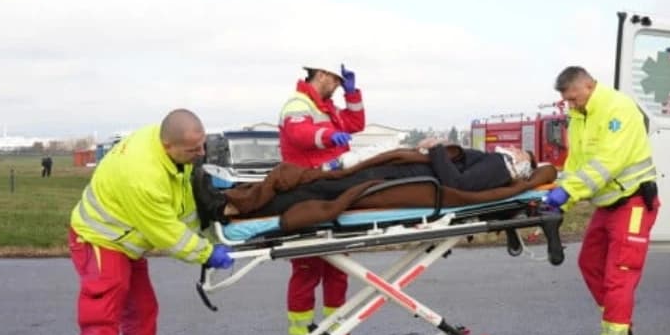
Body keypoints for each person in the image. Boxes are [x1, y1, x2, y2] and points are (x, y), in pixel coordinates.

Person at [53, 109, 234, 335]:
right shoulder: (143, 175)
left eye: (202, 145)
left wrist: (204, 236)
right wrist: (207, 253)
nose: (201, 154)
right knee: (101, 324)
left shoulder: (172, 154)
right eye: (193, 150)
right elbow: (167, 234)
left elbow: (181, 209)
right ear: (168, 145)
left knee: (142, 311)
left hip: (125, 242)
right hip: (100, 241)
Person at [543, 66, 660, 335]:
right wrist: (562, 197)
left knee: (619, 274)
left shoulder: (618, 108)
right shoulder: (579, 116)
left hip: (633, 202)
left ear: (589, 85)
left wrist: (568, 192)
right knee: (590, 262)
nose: (571, 105)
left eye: (573, 98)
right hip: (608, 204)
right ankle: (621, 327)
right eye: (567, 101)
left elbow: (607, 162)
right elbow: (576, 163)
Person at [196, 143, 537, 221]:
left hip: (404, 180)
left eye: (522, 152)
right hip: (405, 177)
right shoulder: (498, 165)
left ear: (523, 164)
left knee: (317, 190)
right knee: (314, 185)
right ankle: (233, 199)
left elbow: (457, 183)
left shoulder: (501, 167)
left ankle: (231, 207)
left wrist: (436, 150)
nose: (514, 149)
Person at [278, 62, 366, 335]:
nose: (339, 87)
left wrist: (353, 95)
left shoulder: (328, 107)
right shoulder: (297, 104)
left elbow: (355, 124)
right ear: (322, 75)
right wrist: (328, 136)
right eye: (338, 82)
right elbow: (299, 135)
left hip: (333, 195)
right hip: (306, 196)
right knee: (307, 271)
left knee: (337, 272)